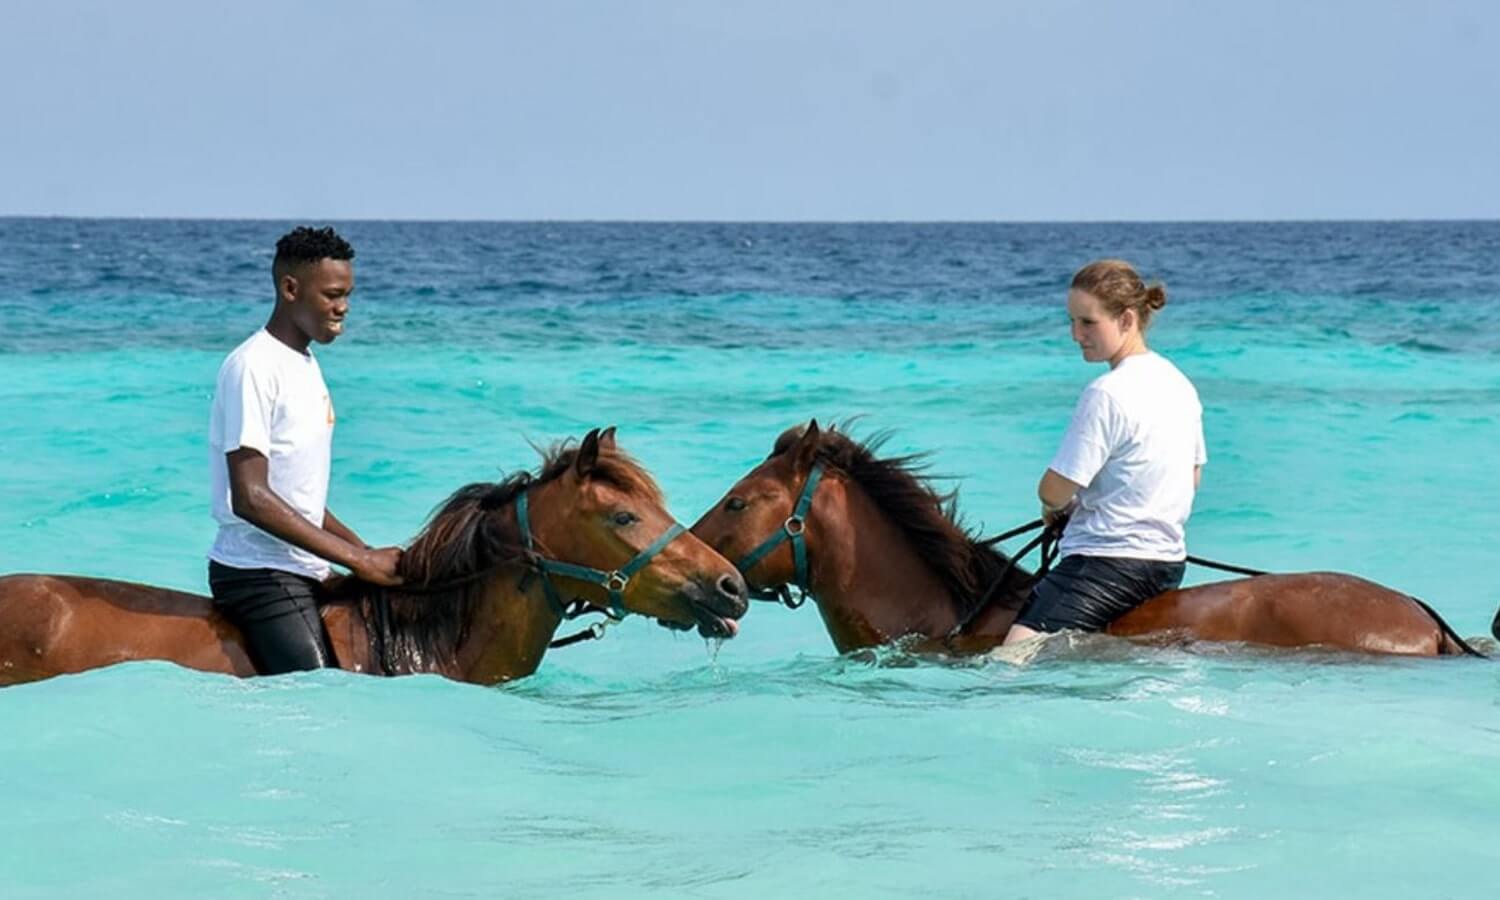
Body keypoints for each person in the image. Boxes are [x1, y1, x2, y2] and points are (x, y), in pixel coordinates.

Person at [207, 226, 402, 674]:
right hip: (256, 572)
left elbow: (301, 499)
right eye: (332, 294)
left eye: (349, 294)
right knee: (318, 693)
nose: (344, 307)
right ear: (290, 288)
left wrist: (366, 552)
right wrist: (357, 559)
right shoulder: (253, 366)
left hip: (305, 567)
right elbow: (251, 497)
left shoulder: (306, 364)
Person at [1004, 259, 1205, 644]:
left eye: (1088, 322)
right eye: (1072, 321)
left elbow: (1054, 490)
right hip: (1167, 564)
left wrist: (1055, 507)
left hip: (1104, 563)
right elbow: (1191, 477)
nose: (1076, 334)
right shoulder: (1179, 384)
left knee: (1009, 659)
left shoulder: (1106, 393)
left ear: (1127, 320)